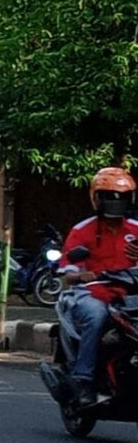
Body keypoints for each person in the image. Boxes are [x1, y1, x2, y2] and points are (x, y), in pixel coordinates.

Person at [57, 167, 138, 406]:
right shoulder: (83, 230)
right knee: (96, 317)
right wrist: (80, 275)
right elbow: (68, 269)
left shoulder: (136, 229)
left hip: (129, 295)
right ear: (96, 198)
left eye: (121, 197)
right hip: (94, 293)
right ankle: (84, 379)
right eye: (109, 197)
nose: (116, 203)